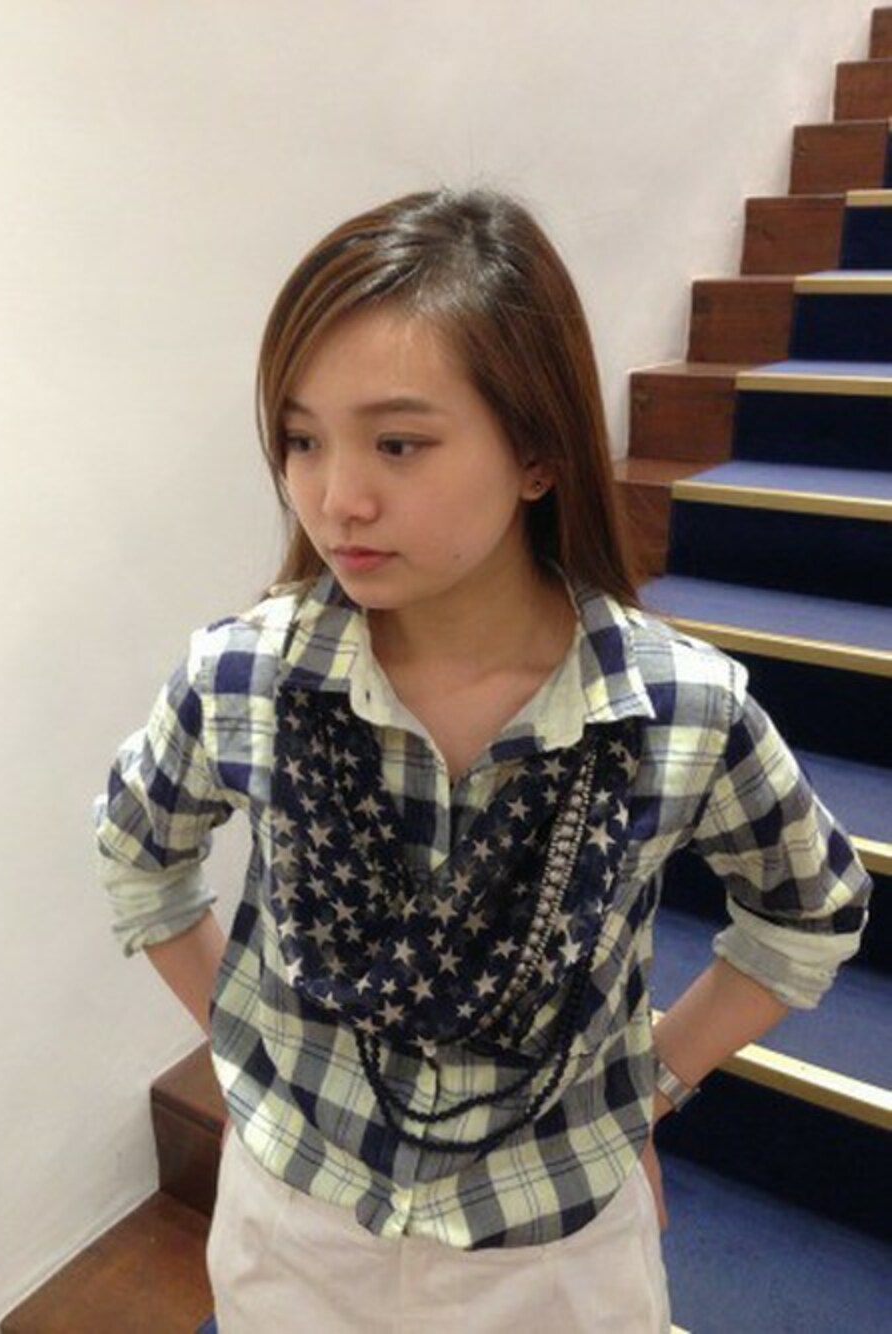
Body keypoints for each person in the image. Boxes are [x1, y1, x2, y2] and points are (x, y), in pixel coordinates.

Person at [94, 188, 871, 1333]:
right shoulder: (244, 675)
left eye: (397, 442)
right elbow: (138, 853)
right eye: (302, 438)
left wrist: (647, 1086)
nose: (335, 496)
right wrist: (253, 1046)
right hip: (292, 1230)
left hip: (553, 1254)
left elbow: (810, 908)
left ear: (537, 453)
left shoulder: (675, 709)